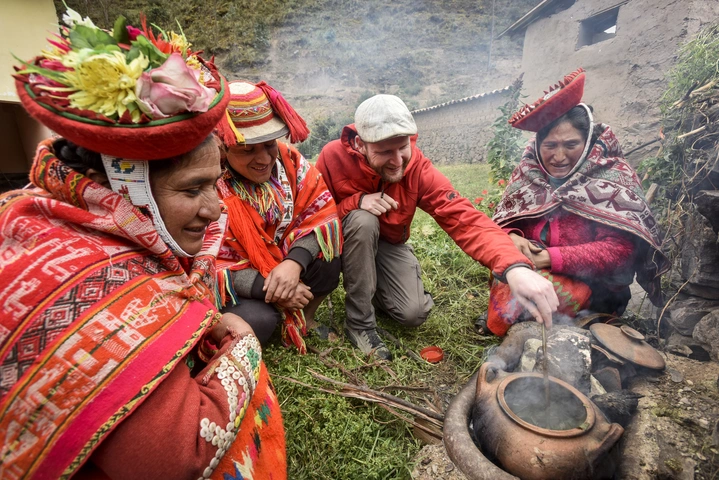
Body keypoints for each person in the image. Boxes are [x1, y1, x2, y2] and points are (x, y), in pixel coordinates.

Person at [1, 10, 286, 479]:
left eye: (215, 185)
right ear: (119, 188)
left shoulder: (34, 214)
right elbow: (175, 460)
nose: (216, 210)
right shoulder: (103, 287)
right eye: (193, 190)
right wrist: (241, 342)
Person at [316, 94, 559, 360]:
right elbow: (316, 215)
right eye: (385, 152)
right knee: (364, 220)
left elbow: (462, 217)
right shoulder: (332, 157)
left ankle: (373, 287)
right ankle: (360, 324)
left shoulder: (417, 167)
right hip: (347, 239)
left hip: (388, 243)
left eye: (403, 148)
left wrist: (514, 266)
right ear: (360, 144)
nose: (397, 161)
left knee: (413, 313)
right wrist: (356, 202)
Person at [488, 68, 669, 336]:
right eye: (550, 146)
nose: (559, 156)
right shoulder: (530, 173)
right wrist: (512, 237)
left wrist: (551, 257)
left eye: (570, 145)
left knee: (533, 303)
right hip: (533, 270)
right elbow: (500, 226)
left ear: (587, 143)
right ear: (538, 146)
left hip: (597, 288)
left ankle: (566, 328)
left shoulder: (612, 177)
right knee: (513, 283)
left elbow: (620, 253)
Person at [214, 81, 342, 354]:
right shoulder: (208, 183)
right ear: (224, 146)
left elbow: (319, 212)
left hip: (282, 264)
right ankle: (277, 314)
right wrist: (268, 287)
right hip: (242, 279)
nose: (263, 158)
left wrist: (294, 264)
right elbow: (211, 263)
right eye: (248, 149)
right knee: (260, 320)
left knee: (328, 261)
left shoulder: (290, 162)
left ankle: (304, 319)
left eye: (269, 144)